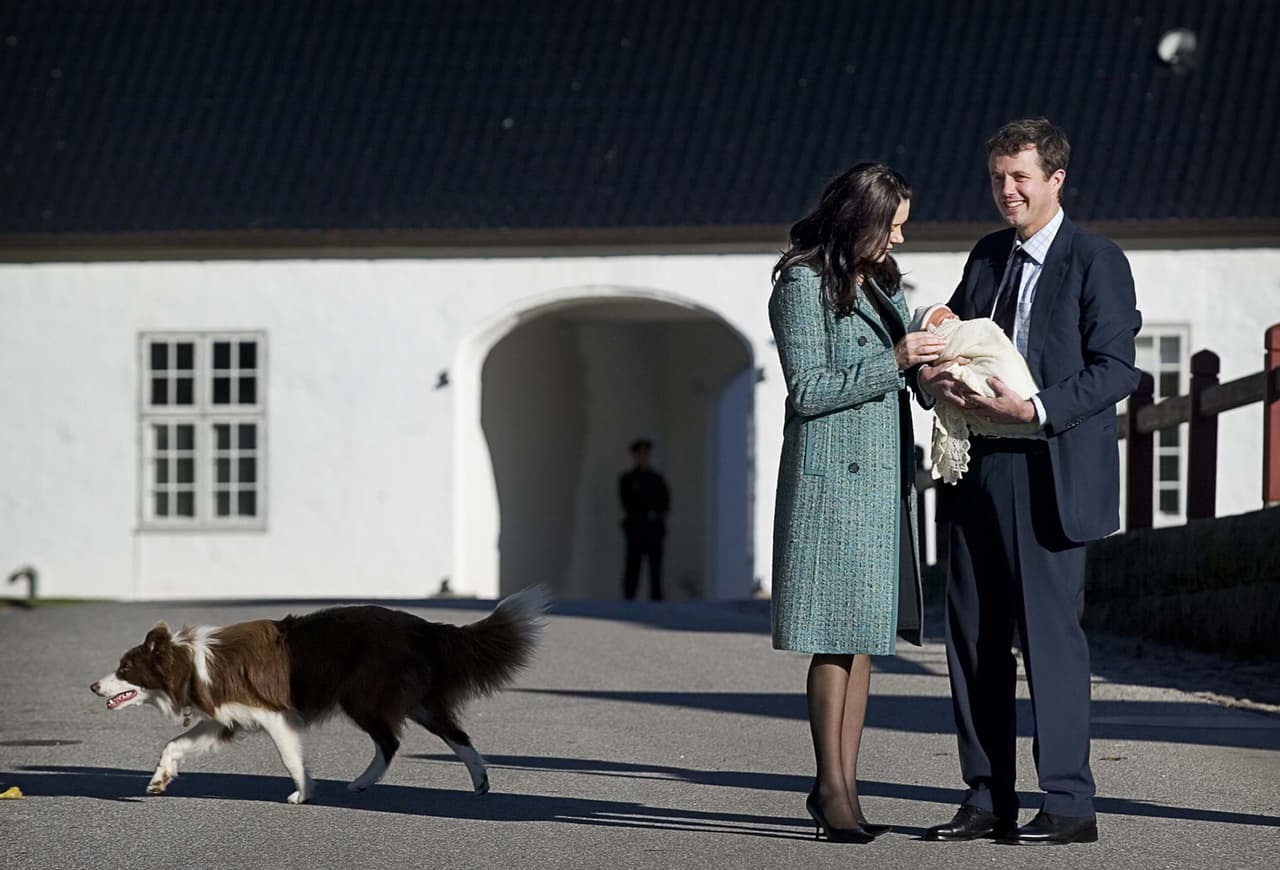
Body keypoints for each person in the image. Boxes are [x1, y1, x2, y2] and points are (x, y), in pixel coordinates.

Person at [918, 118, 1141, 845]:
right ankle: (986, 796)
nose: (1006, 191)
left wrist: (1036, 408)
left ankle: (1070, 804)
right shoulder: (987, 256)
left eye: (1019, 177)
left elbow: (1115, 370)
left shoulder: (1094, 260)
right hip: (977, 470)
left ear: (1056, 179)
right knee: (974, 640)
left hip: (1051, 471)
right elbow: (953, 337)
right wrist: (932, 374)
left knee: (1050, 643)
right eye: (997, 178)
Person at [768, 162, 945, 842]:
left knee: (864, 642)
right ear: (859, 218)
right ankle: (830, 786)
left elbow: (900, 374)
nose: (898, 239)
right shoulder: (801, 283)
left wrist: (936, 361)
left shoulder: (875, 282)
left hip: (876, 484)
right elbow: (808, 391)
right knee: (834, 643)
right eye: (892, 226)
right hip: (831, 489)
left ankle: (845, 783)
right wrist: (897, 361)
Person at [619, 438, 669, 601]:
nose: (643, 457)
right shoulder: (627, 479)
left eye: (646, 454)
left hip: (653, 529)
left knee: (655, 568)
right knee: (633, 566)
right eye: (640, 454)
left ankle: (656, 599)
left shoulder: (657, 479)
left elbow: (665, 502)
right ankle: (629, 598)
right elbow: (627, 503)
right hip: (636, 529)